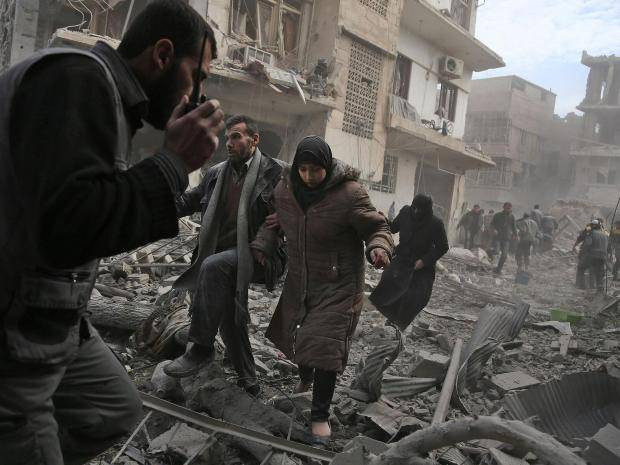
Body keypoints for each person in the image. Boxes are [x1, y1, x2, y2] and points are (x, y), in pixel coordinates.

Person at [0, 2, 225, 464]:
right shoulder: (77, 79)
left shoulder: (104, 95)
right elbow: (66, 227)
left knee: (112, 409)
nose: (196, 94)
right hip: (16, 325)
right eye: (196, 76)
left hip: (53, 316)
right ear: (163, 55)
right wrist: (173, 163)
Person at [265, 136, 393, 443]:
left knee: (325, 347)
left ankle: (320, 417)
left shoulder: (350, 194)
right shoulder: (286, 190)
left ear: (327, 166)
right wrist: (264, 242)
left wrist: (379, 248)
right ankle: (305, 379)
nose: (308, 176)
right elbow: (275, 220)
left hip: (340, 284)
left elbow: (377, 226)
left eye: (315, 170)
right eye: (303, 169)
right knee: (301, 335)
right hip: (302, 280)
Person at [165, 115, 286, 395]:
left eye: (236, 137)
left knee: (212, 266)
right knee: (229, 316)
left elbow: (305, 200)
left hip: (259, 255)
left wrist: (284, 219)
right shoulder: (216, 173)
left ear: (254, 140)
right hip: (222, 257)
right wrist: (157, 202)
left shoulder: (276, 172)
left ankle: (201, 348)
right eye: (227, 137)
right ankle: (249, 381)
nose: (228, 143)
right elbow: (189, 201)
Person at [370, 193, 449, 331]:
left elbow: (443, 247)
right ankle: (391, 318)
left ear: (427, 210)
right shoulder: (406, 212)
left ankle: (398, 323)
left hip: (422, 265)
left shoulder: (436, 223)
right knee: (389, 283)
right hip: (402, 258)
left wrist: (424, 261)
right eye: (415, 208)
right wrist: (384, 220)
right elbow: (393, 227)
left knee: (416, 295)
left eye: (420, 210)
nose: (416, 212)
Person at [491, 202, 517, 274]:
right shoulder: (497, 215)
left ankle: (498, 269)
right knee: (496, 251)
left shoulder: (512, 216)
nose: (508, 209)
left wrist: (515, 235)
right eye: (507, 208)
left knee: (504, 255)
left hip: (506, 238)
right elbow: (492, 224)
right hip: (498, 237)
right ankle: (488, 252)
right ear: (503, 207)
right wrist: (494, 229)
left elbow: (514, 227)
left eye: (509, 208)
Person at [584, 220, 608, 292]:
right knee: (600, 271)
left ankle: (592, 287)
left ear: (593, 226)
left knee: (592, 270)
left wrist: (586, 252)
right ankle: (600, 287)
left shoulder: (591, 233)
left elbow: (588, 244)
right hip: (603, 255)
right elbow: (608, 245)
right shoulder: (605, 233)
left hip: (593, 254)